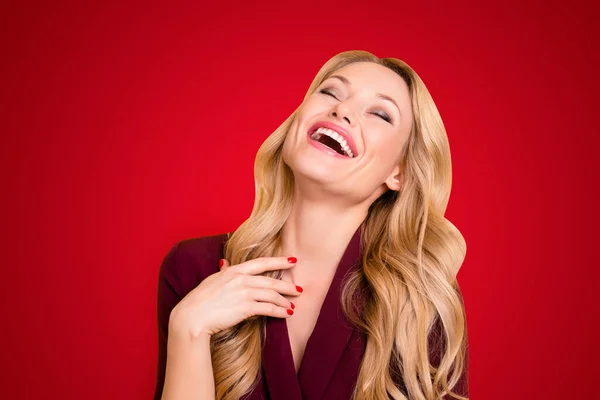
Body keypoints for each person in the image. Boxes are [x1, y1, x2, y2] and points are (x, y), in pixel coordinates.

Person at [154, 50, 470, 400]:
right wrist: (188, 330)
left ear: (400, 172)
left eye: (380, 113)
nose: (342, 110)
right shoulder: (193, 268)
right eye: (331, 92)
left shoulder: (418, 298)